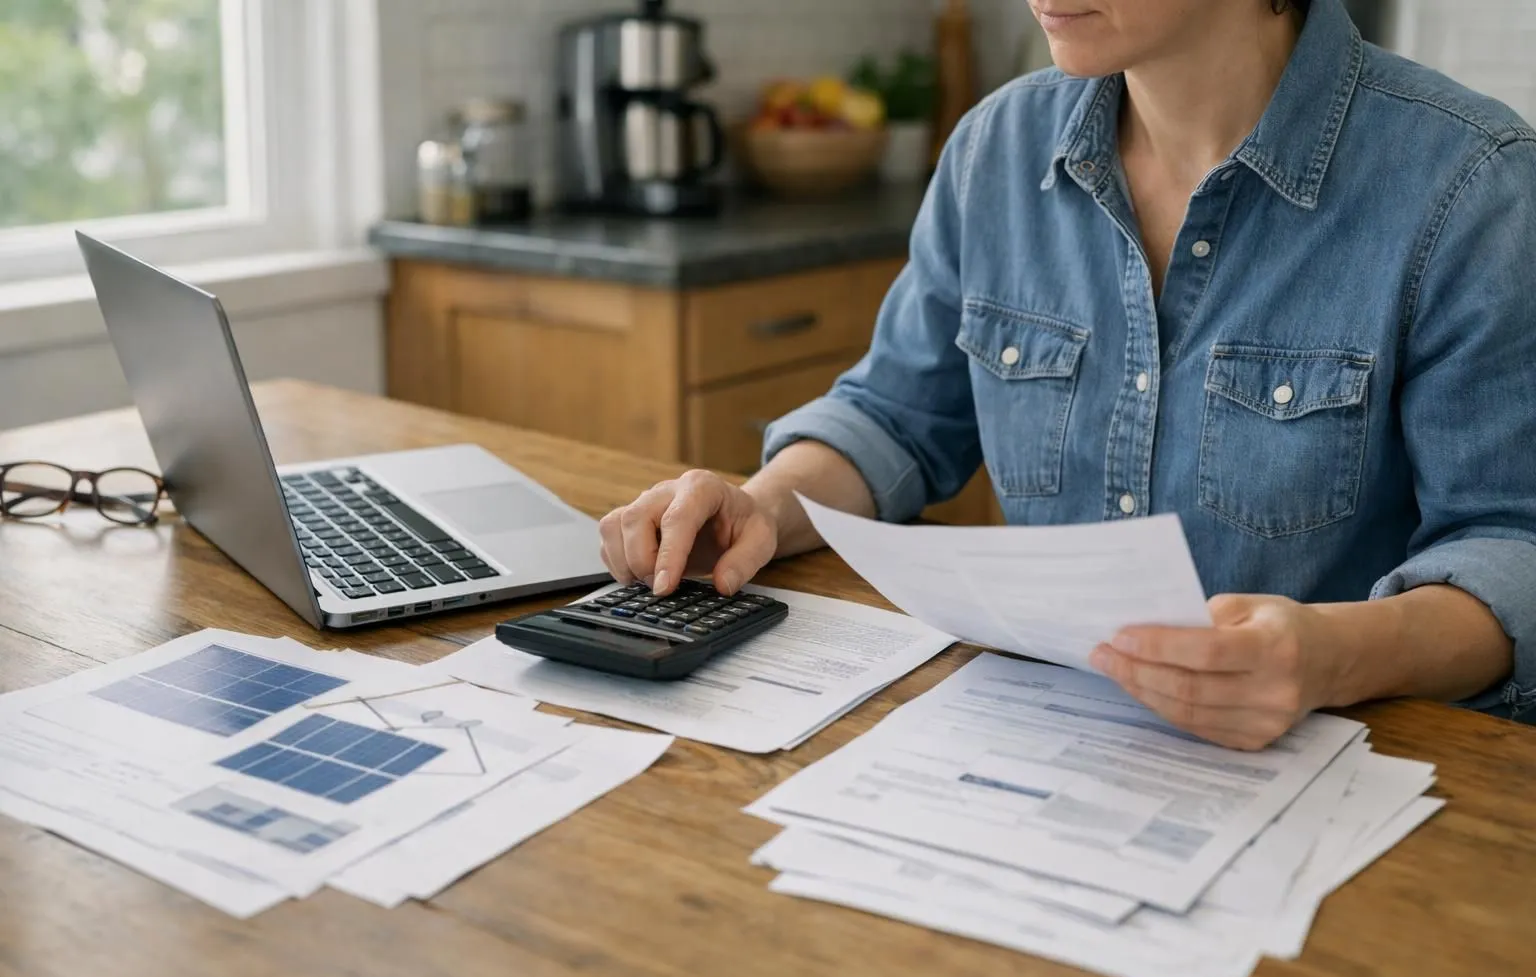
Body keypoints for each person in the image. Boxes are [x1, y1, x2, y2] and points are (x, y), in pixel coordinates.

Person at [598, 0, 1536, 749]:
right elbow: (893, 414)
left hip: (1345, 770)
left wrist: (1332, 658)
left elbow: (1512, 548)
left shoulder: (1469, 186)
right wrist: (761, 504)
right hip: (1035, 747)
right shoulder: (995, 149)